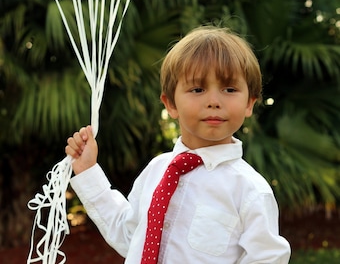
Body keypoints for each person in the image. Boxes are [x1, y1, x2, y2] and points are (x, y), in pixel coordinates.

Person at [65, 26, 291, 263]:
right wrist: (88, 172)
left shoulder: (250, 190)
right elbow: (130, 235)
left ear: (249, 103)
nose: (214, 101)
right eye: (198, 89)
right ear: (171, 104)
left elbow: (268, 257)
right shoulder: (157, 170)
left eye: (229, 89)